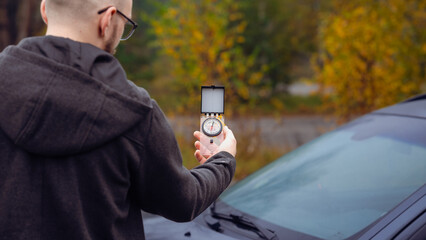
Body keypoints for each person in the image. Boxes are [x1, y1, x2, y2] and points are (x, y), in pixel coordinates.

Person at [0, 0, 237, 239]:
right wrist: (223, 161)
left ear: (44, 11)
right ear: (107, 20)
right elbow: (184, 200)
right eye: (126, 22)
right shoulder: (136, 113)